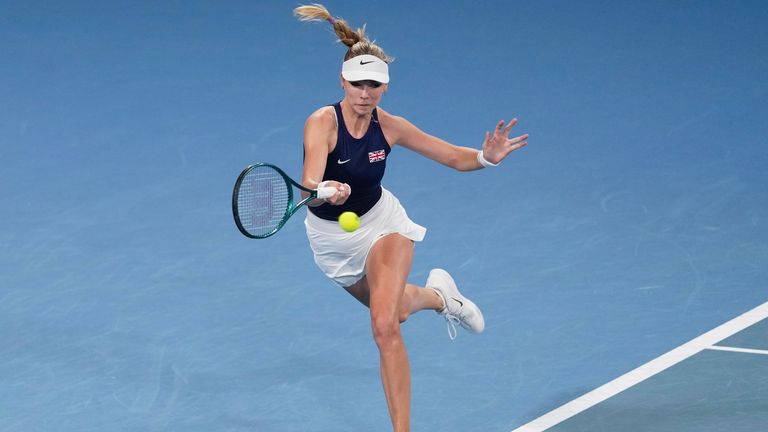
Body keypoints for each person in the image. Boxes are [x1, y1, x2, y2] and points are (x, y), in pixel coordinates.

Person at [294, 4, 528, 431]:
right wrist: (324, 191)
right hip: (332, 242)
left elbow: (453, 157)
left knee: (383, 327)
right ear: (343, 82)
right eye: (358, 84)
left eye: (374, 85)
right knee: (398, 311)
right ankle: (442, 298)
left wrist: (486, 158)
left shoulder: (392, 126)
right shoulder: (322, 123)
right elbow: (310, 184)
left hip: (383, 225)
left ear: (385, 87)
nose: (365, 93)